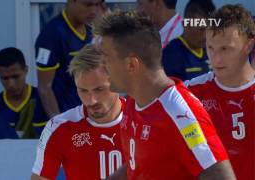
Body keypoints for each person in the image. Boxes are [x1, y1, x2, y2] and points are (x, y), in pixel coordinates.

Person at [95, 10, 235, 179]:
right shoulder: (134, 101)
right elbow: (139, 165)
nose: (102, 66)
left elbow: (222, 177)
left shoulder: (180, 112)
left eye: (106, 58)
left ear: (132, 64)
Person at [31, 44, 125, 180]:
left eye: (99, 89)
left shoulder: (142, 119)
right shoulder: (59, 127)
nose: (91, 101)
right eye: (83, 90)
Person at [185, 4, 255, 180]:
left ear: (248, 45)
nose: (215, 59)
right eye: (210, 48)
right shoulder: (190, 93)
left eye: (225, 49)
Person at [35, 0, 104, 118]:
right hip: (59, 116)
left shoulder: (91, 30)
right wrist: (58, 122)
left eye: (97, 4)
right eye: (88, 4)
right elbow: (44, 87)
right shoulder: (51, 35)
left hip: (83, 113)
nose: (93, 11)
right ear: (71, 2)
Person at [0, 47, 48, 138]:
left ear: (26, 70)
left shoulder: (45, 101)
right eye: (5, 78)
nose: (11, 84)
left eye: (15, 76)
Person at [162, 0, 215, 81]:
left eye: (210, 29)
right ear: (185, 25)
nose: (206, 35)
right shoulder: (172, 54)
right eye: (201, 29)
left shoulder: (212, 50)